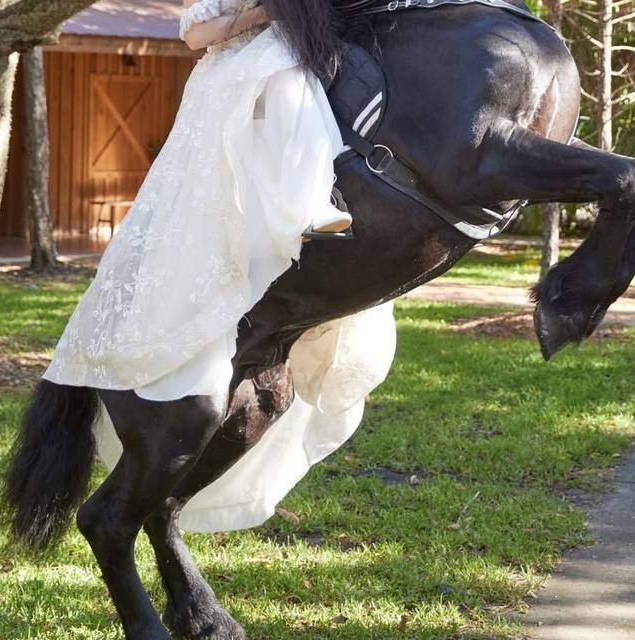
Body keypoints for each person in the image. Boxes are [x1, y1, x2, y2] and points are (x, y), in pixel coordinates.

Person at [43, 0, 397, 533]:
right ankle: (303, 209)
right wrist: (259, 18)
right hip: (231, 72)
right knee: (285, 72)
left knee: (302, 82)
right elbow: (193, 34)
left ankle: (314, 198)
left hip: (276, 58)